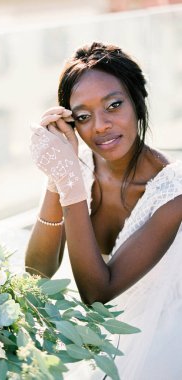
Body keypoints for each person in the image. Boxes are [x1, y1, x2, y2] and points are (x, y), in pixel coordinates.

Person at [26, 42, 182, 379]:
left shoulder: (174, 193)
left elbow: (96, 294)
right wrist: (58, 176)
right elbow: (37, 271)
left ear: (138, 101)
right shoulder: (76, 168)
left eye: (114, 105)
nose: (99, 126)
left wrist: (69, 184)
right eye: (83, 116)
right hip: (103, 335)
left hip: (162, 337)